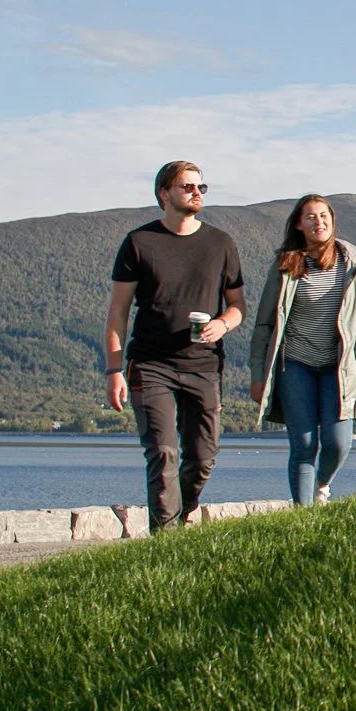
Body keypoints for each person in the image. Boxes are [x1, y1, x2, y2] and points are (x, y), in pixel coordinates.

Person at [104, 161, 246, 533]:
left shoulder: (221, 243)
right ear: (164, 193)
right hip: (151, 365)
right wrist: (114, 369)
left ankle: (181, 512)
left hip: (203, 365)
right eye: (187, 187)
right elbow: (118, 312)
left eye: (201, 187)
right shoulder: (139, 243)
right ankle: (165, 538)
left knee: (203, 458)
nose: (196, 192)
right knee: (163, 452)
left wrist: (222, 323)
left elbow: (238, 305)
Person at [248, 194, 356, 505]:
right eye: (310, 216)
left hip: (337, 368)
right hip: (294, 365)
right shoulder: (285, 266)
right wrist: (257, 375)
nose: (318, 222)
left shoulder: (355, 265)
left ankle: (321, 485)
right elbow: (264, 324)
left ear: (332, 221)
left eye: (323, 216)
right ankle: (303, 517)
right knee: (304, 445)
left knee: (338, 444)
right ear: (299, 224)